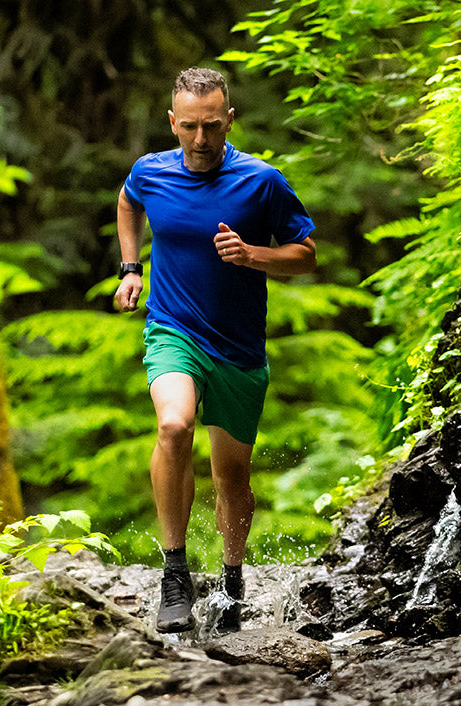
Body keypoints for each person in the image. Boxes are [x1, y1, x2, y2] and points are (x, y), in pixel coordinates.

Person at [114, 67, 316, 635]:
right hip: (173, 329)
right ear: (172, 122)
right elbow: (128, 202)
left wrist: (255, 255)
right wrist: (131, 268)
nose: (201, 141)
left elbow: (305, 255)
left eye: (212, 127)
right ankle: (174, 573)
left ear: (229, 120)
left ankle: (231, 578)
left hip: (239, 347)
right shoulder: (149, 172)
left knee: (232, 477)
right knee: (174, 427)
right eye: (190, 128)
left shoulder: (262, 181)